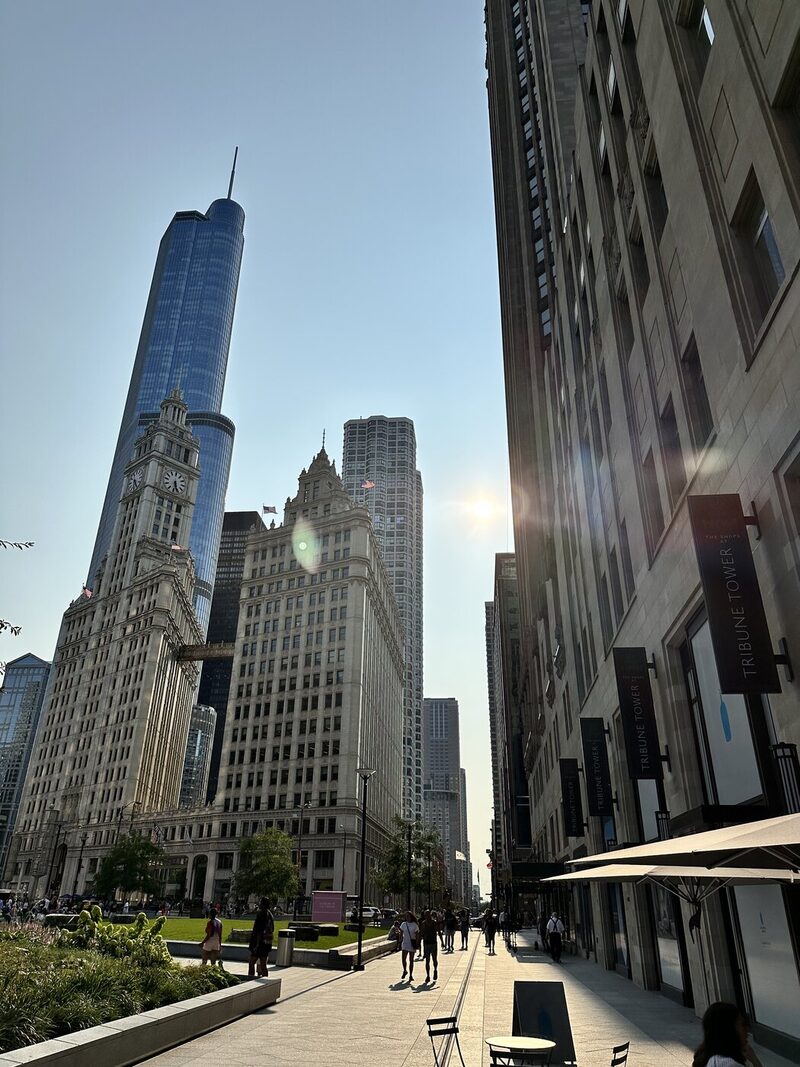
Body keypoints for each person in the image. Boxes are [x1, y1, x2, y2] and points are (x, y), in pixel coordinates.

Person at [692, 1002, 763, 1067]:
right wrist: (754, 1060)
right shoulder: (730, 1064)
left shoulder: (712, 1058)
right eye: (742, 1025)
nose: (747, 1029)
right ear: (729, 1031)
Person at [248, 897, 274, 978]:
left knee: (252, 963)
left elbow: (259, 930)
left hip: (259, 942)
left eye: (260, 902)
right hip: (267, 942)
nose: (259, 904)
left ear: (262, 904)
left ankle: (250, 978)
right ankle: (265, 981)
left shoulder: (261, 914)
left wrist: (256, 944)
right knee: (263, 965)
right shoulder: (270, 914)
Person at [418, 909, 439, 982]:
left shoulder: (434, 923)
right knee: (427, 961)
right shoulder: (423, 923)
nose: (427, 916)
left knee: (434, 959)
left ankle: (435, 970)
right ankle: (428, 975)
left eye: (428, 915)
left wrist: (442, 942)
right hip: (426, 944)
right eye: (425, 915)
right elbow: (421, 933)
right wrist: (418, 942)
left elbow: (438, 931)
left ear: (430, 915)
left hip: (433, 943)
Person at [399, 911, 420, 982]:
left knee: (411, 960)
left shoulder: (414, 925)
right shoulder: (403, 924)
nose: (407, 917)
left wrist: (417, 943)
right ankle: (405, 970)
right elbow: (401, 934)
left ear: (411, 917)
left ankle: (411, 975)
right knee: (403, 959)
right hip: (405, 943)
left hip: (412, 944)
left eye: (408, 916)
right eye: (406, 916)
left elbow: (417, 935)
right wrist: (399, 942)